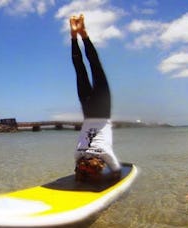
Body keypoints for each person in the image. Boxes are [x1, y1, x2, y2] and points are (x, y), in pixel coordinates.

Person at [69, 14, 121, 182]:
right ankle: (74, 36)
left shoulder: (106, 153)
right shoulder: (77, 154)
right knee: (80, 70)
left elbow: (117, 172)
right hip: (87, 110)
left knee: (95, 67)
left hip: (102, 109)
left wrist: (111, 177)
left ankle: (83, 34)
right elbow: (79, 165)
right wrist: (81, 174)